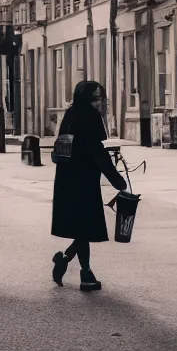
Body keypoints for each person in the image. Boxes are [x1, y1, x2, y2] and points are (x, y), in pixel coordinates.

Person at [51, 81, 128, 292]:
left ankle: (69, 262)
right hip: (84, 179)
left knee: (81, 227)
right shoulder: (92, 117)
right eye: (96, 97)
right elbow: (98, 152)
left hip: (66, 178)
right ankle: (84, 273)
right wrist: (117, 180)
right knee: (85, 226)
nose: (99, 101)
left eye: (100, 96)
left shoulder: (70, 114)